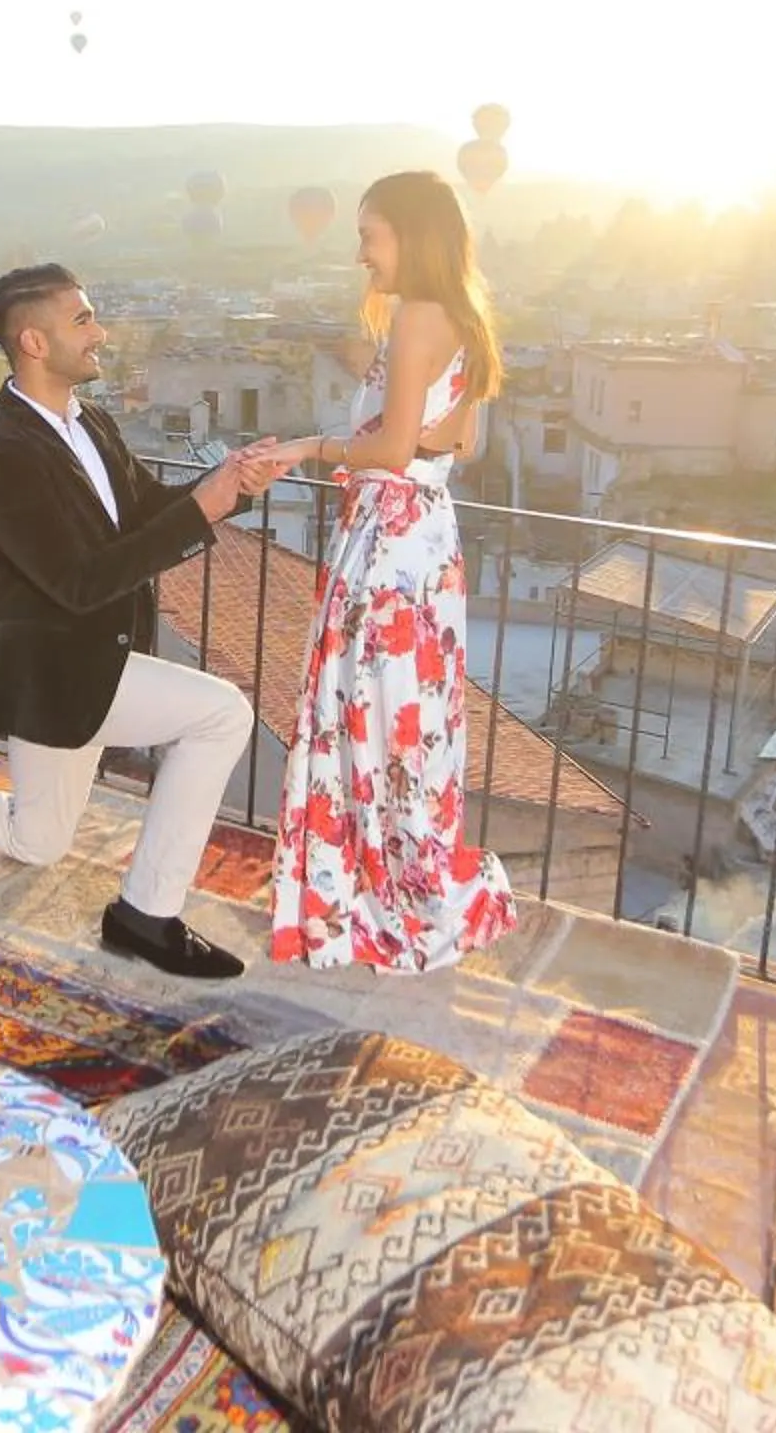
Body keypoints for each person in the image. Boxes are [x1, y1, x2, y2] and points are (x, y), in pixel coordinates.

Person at [0, 263, 289, 979]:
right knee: (221, 715)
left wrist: (229, 488)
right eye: (84, 320)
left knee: (36, 840)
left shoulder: (89, 420)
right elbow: (77, 582)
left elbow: (143, 513)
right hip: (50, 669)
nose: (100, 333)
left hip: (92, 657)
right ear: (33, 340)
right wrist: (205, 509)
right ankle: (146, 916)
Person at [254, 172, 517, 971]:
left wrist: (307, 448)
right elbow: (459, 443)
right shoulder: (464, 318)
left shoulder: (416, 317)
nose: (361, 250)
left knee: (365, 711)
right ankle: (407, 888)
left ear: (412, 233)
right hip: (427, 538)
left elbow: (391, 449)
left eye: (371, 233)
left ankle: (377, 902)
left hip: (390, 541)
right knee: (410, 719)